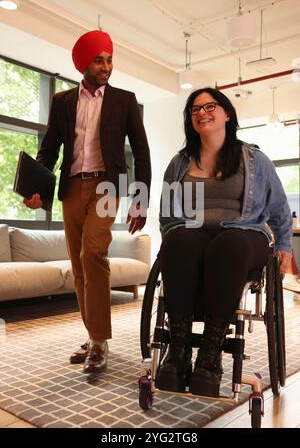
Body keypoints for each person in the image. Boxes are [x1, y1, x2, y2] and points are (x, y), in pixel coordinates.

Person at [24, 29, 151, 374]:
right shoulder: (63, 101)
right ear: (84, 63)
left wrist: (140, 200)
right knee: (78, 266)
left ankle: (99, 342)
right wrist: (36, 188)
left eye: (109, 59)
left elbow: (140, 151)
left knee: (93, 252)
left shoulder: (124, 100)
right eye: (99, 59)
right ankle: (94, 334)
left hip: (107, 187)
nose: (106, 66)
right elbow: (49, 149)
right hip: (71, 189)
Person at [156, 87, 293, 397]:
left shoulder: (255, 159)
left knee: (227, 244)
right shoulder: (180, 163)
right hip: (193, 236)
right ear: (190, 120)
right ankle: (177, 350)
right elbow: (167, 213)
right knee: (177, 241)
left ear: (227, 114)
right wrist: (173, 236)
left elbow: (279, 206)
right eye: (195, 109)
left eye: (210, 106)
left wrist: (284, 243)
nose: (202, 112)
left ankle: (210, 354)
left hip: (244, 234)